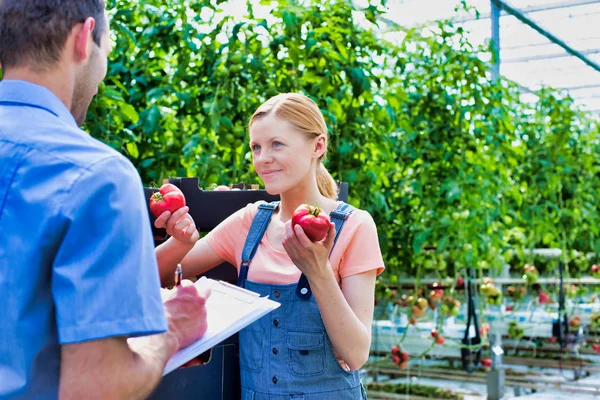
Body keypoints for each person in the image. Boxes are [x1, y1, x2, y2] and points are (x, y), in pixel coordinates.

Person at [0, 1, 209, 399]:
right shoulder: (97, 177)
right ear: (83, 39)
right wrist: (174, 329)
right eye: (106, 50)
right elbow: (97, 388)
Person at [155, 93, 385, 399]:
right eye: (256, 147)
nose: (263, 158)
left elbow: (356, 354)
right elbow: (152, 276)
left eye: (277, 144)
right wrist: (180, 243)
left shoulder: (354, 226)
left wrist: (318, 272)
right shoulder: (250, 222)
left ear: (318, 146)